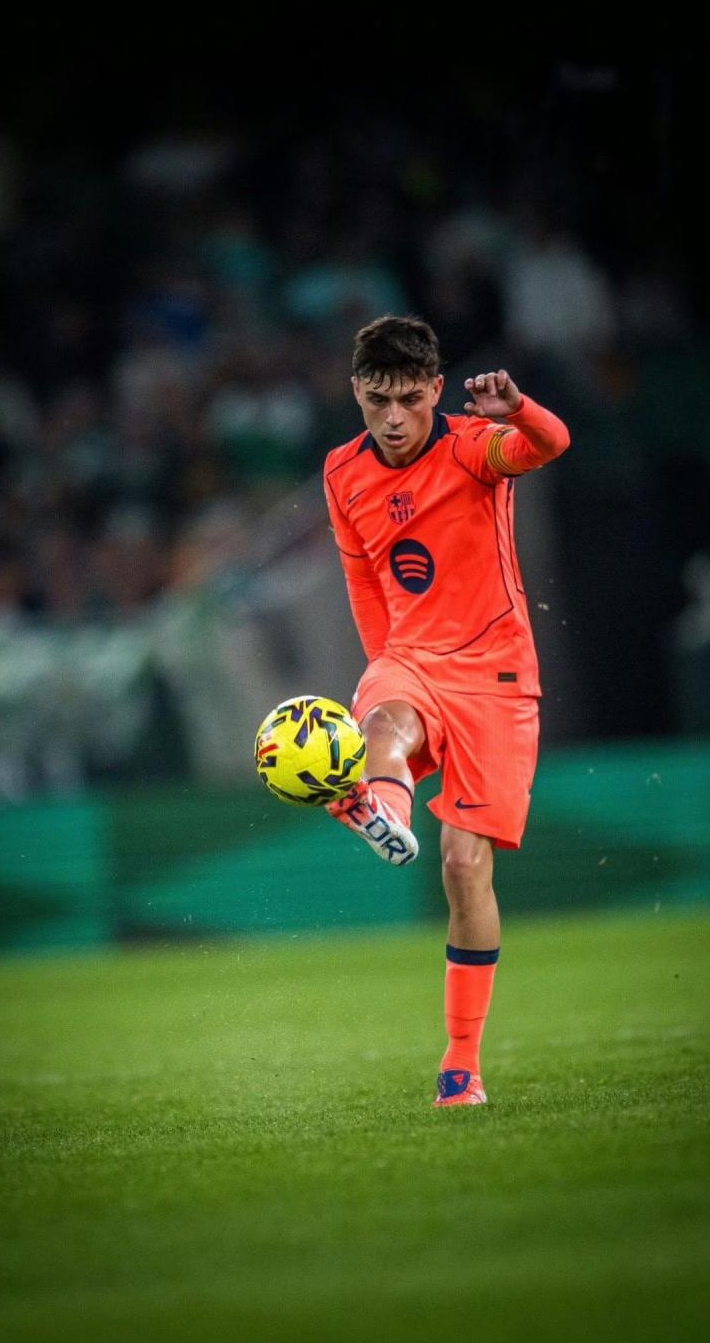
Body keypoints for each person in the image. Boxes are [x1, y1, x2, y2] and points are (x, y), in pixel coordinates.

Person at [322, 315, 570, 1108]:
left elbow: (549, 445)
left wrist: (518, 408)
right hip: (412, 659)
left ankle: (462, 1064)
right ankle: (382, 810)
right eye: (376, 401)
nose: (393, 419)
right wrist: (383, 668)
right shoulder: (341, 471)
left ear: (435, 389)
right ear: (356, 393)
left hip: (497, 675)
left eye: (407, 399)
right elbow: (364, 579)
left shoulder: (472, 447)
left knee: (464, 867)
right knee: (384, 725)